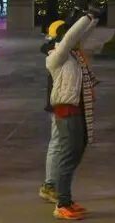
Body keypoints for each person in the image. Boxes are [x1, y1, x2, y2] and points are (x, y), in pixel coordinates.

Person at [46, 6, 101, 220]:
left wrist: (94, 19)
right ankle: (62, 203)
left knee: (77, 151)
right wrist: (87, 17)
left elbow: (79, 36)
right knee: (68, 155)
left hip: (78, 110)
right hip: (66, 112)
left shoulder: (74, 56)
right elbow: (71, 37)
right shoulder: (57, 57)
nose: (79, 41)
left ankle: (66, 199)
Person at [38, 36, 62, 204]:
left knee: (59, 144)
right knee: (57, 144)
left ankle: (52, 183)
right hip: (59, 106)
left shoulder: (57, 55)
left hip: (59, 106)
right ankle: (50, 184)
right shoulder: (57, 57)